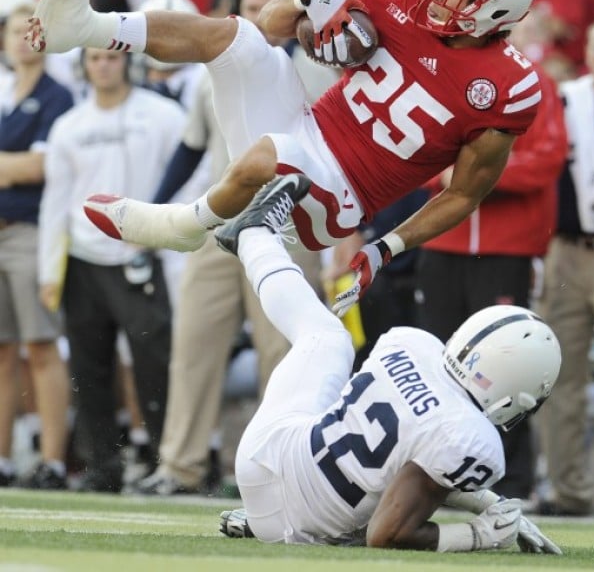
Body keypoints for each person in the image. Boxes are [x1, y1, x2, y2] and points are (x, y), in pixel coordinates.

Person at [27, 0, 542, 315]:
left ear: (497, 13)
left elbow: (464, 193)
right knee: (239, 41)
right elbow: (269, 27)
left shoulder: (504, 88)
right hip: (305, 122)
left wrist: (385, 248)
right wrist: (306, 0)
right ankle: (85, 26)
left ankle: (183, 225)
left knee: (276, 154)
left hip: (340, 198)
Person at [215, 172, 562, 551]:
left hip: (263, 459)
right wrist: (479, 535)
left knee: (326, 338)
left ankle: (255, 239)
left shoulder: (411, 344)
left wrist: (493, 503)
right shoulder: (473, 441)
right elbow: (387, 533)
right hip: (300, 523)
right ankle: (292, 529)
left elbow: (414, 451)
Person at [132, 0, 323, 497]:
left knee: (282, 354)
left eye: (271, 7)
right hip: (219, 221)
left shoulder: (315, 70)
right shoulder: (214, 67)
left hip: (289, 225)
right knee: (194, 343)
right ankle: (180, 467)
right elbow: (192, 146)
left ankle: (276, 474)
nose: (263, 18)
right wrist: (158, 207)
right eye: (252, 7)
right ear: (236, 12)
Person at [414, 58, 567, 501]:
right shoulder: (443, 75)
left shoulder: (539, 83)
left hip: (507, 248)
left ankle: (510, 483)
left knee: (508, 368)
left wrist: (478, 173)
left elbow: (547, 160)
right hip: (443, 241)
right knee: (440, 361)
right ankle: (433, 474)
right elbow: (417, 152)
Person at [37, 48, 185, 492]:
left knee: (153, 361)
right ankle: (102, 465)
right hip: (83, 259)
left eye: (112, 58)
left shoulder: (162, 115)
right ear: (84, 67)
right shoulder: (69, 126)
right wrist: (49, 271)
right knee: (88, 367)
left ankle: (165, 462)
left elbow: (189, 180)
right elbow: (55, 204)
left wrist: (164, 234)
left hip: (143, 252)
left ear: (128, 63)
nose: (104, 65)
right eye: (96, 58)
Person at [534, 16, 594, 516]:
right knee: (558, 372)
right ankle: (569, 491)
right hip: (565, 248)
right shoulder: (567, 101)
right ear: (587, 48)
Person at [0, 3, 73, 489]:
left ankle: (53, 460)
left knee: (41, 345)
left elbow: (40, 168)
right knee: (2, 350)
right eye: (13, 30)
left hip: (30, 230)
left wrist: (12, 168)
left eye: (32, 30)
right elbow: (20, 164)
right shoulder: (5, 94)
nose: (23, 39)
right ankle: (3, 458)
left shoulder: (57, 96)